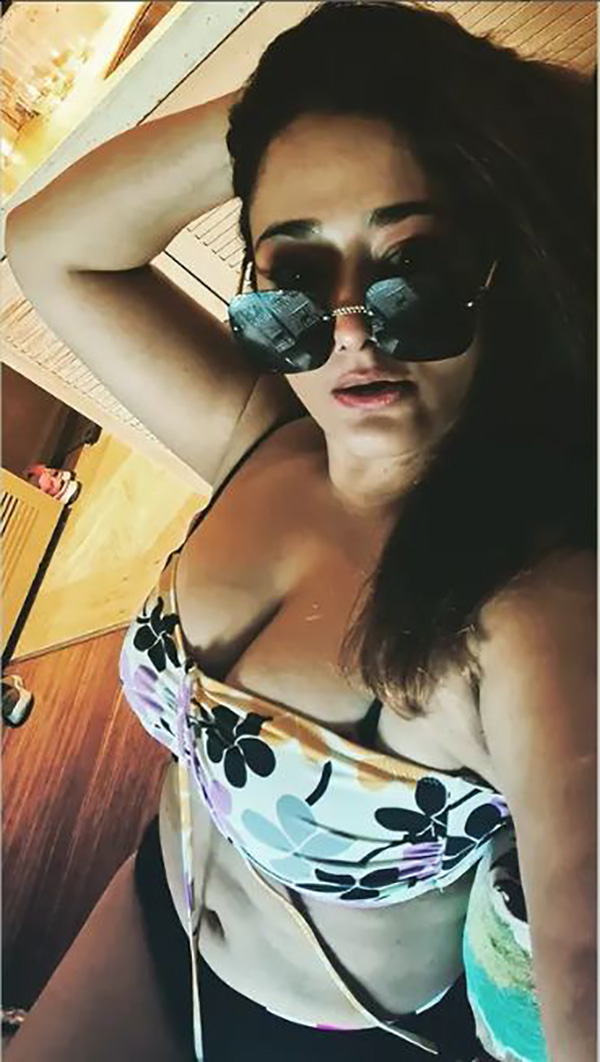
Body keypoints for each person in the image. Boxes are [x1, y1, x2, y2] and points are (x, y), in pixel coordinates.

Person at [5, 3, 595, 1060]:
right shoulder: (263, 437)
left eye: (412, 264)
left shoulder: (529, 606)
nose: (354, 329)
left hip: (336, 1028)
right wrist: (300, 105)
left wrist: (460, 107)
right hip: (159, 899)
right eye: (296, 281)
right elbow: (48, 246)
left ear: (499, 266)